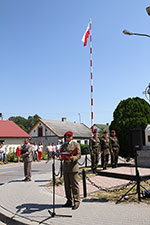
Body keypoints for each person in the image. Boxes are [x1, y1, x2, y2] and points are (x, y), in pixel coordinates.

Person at [60, 131, 81, 210]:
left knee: (74, 186)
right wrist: (61, 157)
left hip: (73, 167)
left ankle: (76, 201)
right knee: (67, 186)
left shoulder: (76, 144)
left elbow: (79, 155)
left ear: (72, 137)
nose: (67, 138)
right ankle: (69, 200)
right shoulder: (64, 145)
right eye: (66, 136)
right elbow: (62, 153)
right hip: (66, 167)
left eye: (69, 136)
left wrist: (73, 158)